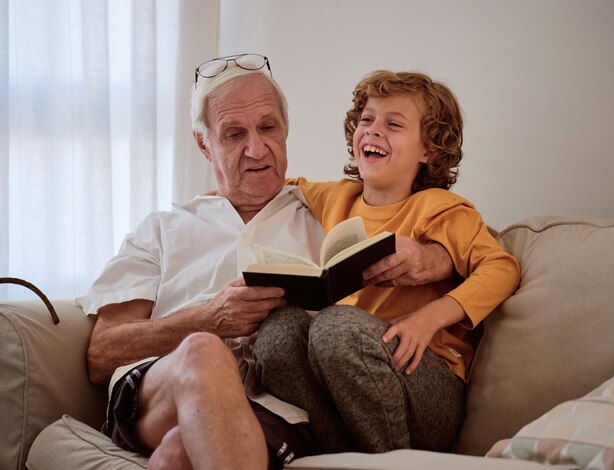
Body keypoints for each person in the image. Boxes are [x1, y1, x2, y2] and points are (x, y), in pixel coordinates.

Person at [78, 55, 455, 469]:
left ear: (285, 130)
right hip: (158, 393)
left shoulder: (329, 217)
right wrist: (207, 319)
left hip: (272, 410)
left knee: (179, 454)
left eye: (268, 128)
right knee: (204, 353)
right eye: (234, 133)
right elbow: (101, 355)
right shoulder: (163, 229)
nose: (256, 149)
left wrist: (438, 258)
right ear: (204, 144)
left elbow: (439, 241)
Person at [254, 70, 521, 454]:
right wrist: (219, 195)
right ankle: (341, 453)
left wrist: (430, 318)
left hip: (427, 381)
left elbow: (501, 268)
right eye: (366, 120)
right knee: (278, 332)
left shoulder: (442, 209)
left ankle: (390, 461)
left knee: (334, 327)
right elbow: (284, 186)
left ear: (427, 150)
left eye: (393, 124)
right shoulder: (338, 197)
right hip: (350, 380)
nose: (373, 130)